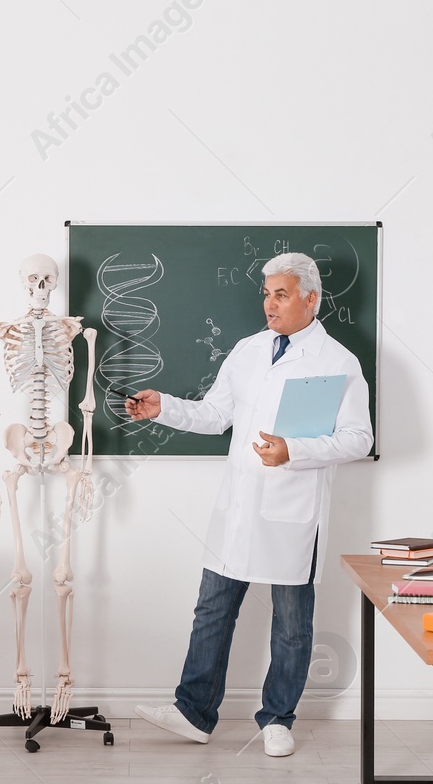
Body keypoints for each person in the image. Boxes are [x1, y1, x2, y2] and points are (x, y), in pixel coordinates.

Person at [127, 253, 373, 757]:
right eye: (266, 293)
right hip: (238, 507)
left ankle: (278, 719)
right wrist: (164, 407)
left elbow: (358, 439)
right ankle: (194, 712)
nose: (269, 304)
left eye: (280, 294)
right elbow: (217, 415)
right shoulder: (247, 350)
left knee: (291, 624)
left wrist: (295, 451)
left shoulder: (338, 362)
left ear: (311, 298)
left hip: (292, 510)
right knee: (212, 609)